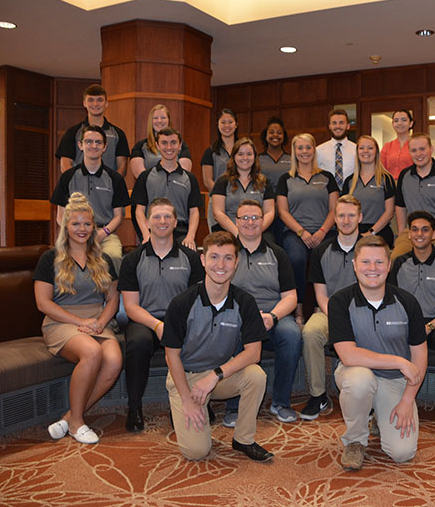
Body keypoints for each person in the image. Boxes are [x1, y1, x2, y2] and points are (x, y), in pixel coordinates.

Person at [163, 231, 272, 461]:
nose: (220, 265)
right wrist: (186, 401)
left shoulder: (245, 301)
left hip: (219, 376)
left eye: (227, 258)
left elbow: (254, 352)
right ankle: (191, 408)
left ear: (236, 262)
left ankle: (244, 439)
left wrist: (215, 375)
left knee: (256, 376)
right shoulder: (182, 303)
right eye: (214, 257)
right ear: (203, 260)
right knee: (196, 452)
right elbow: (171, 356)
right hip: (186, 376)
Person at [330, 235, 427, 470]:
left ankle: (377, 417)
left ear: (389, 265)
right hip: (356, 372)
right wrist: (397, 361)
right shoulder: (340, 301)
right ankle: (355, 440)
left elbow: (419, 357)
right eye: (365, 262)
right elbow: (348, 355)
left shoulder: (408, 302)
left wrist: (407, 399)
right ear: (355, 265)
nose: (372, 269)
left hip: (394, 381)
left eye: (379, 263)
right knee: (360, 380)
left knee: (402, 453)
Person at [33, 193, 121, 445]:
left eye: (86, 224)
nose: (81, 229)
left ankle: (70, 418)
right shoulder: (50, 258)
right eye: (75, 223)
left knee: (114, 360)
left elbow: (113, 298)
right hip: (61, 321)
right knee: (92, 352)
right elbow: (43, 303)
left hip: (96, 321)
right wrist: (77, 322)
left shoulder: (103, 259)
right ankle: (78, 424)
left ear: (93, 226)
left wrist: (102, 322)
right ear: (65, 226)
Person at [118, 198, 204, 432]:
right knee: (137, 343)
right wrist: (157, 325)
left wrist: (175, 324)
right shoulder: (133, 260)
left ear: (176, 222)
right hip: (145, 320)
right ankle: (134, 407)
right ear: (147, 222)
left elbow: (197, 299)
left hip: (180, 320)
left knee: (197, 335)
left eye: (167, 216)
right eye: (156, 216)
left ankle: (194, 401)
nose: (162, 221)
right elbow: (131, 306)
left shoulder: (191, 258)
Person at [228, 199, 302, 424]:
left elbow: (290, 297)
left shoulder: (277, 254)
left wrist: (272, 316)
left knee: (292, 334)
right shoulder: (227, 253)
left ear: (264, 221)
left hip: (273, 317)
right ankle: (234, 405)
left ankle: (281, 402)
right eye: (245, 218)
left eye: (255, 218)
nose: (250, 222)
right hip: (238, 317)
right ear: (236, 222)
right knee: (229, 332)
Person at [389, 211, 435, 426]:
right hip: (408, 321)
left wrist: (429, 326)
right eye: (415, 229)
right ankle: (391, 398)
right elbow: (392, 301)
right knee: (388, 336)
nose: (419, 234)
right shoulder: (399, 263)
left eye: (425, 229)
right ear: (409, 234)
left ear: (434, 234)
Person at [300, 195, 363, 421]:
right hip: (328, 311)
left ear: (360, 218)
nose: (346, 220)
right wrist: (339, 319)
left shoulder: (371, 248)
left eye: (351, 215)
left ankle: (369, 397)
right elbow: (320, 295)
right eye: (341, 215)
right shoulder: (321, 251)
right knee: (310, 332)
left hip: (363, 313)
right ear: (334, 219)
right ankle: (318, 396)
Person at [275, 133, 339, 323]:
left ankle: (322, 306)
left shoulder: (326, 177)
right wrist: (302, 232)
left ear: (314, 150)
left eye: (308, 147)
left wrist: (321, 232)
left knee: (328, 257)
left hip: (324, 231)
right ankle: (299, 309)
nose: (304, 152)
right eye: (300, 148)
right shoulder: (285, 179)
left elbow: (335, 209)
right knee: (296, 258)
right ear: (295, 151)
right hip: (295, 233)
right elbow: (283, 212)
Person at [50, 125, 130, 272]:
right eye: (89, 142)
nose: (93, 146)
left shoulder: (115, 179)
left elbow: (119, 217)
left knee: (113, 256)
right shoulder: (67, 177)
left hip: (104, 234)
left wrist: (102, 233)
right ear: (81, 145)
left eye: (98, 142)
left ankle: (112, 295)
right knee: (59, 259)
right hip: (73, 234)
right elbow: (60, 216)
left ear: (105, 147)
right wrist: (74, 234)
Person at [393, 133, 435, 258]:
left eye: (422, 149)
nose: (418, 154)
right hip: (412, 233)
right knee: (394, 260)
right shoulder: (404, 175)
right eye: (414, 150)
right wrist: (402, 231)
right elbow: (400, 206)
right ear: (409, 152)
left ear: (431, 149)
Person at [132, 127, 202, 251]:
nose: (169, 148)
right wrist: (145, 234)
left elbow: (194, 212)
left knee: (192, 256)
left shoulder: (190, 178)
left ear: (180, 146)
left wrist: (190, 237)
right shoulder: (145, 177)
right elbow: (139, 211)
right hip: (153, 231)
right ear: (157, 146)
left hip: (181, 232)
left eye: (173, 143)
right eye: (164, 143)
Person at [55, 84, 130, 175]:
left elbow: (122, 167)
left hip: (108, 188)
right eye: (90, 100)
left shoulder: (118, 134)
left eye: (100, 100)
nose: (95, 104)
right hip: (79, 187)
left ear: (106, 103)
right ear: (84, 103)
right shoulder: (73, 133)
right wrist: (76, 182)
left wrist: (112, 184)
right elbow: (65, 164)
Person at [210, 138, 275, 239]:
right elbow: (218, 213)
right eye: (240, 154)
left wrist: (256, 231)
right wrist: (238, 233)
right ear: (234, 157)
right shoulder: (222, 182)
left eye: (249, 154)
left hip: (258, 231)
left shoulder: (264, 182)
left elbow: (270, 212)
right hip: (229, 231)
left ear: (255, 157)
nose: (245, 157)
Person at [342, 135, 396, 246]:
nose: (365, 151)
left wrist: (371, 232)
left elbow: (389, 212)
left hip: (379, 231)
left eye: (370, 148)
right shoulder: (350, 181)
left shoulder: (386, 179)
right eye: (361, 148)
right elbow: (343, 210)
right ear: (357, 152)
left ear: (376, 152)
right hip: (353, 231)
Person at [128, 104, 193, 179]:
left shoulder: (182, 145)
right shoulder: (140, 146)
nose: (159, 121)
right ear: (151, 121)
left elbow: (184, 173)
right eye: (155, 118)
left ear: (169, 120)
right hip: (150, 188)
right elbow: (140, 175)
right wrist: (158, 184)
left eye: (163, 118)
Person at [201, 109, 238, 231]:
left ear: (236, 124)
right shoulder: (210, 151)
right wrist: (221, 196)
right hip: (217, 203)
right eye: (223, 122)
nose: (227, 126)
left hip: (239, 200)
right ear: (217, 124)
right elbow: (207, 181)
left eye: (230, 122)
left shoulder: (244, 150)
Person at [316, 109, 356, 189]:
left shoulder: (357, 150)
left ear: (348, 126)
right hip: (326, 195)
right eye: (334, 123)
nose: (338, 126)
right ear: (330, 126)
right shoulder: (318, 150)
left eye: (341, 123)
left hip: (351, 195)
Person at [258, 116, 292, 189]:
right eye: (271, 132)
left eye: (279, 133)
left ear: (284, 136)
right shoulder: (257, 159)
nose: (275, 135)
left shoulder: (291, 159)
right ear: (265, 135)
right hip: (265, 198)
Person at [380, 110, 414, 179]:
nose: (399, 123)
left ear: (411, 123)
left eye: (404, 120)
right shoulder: (387, 146)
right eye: (396, 121)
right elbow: (381, 170)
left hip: (411, 184)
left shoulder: (416, 145)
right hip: (391, 185)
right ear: (392, 124)